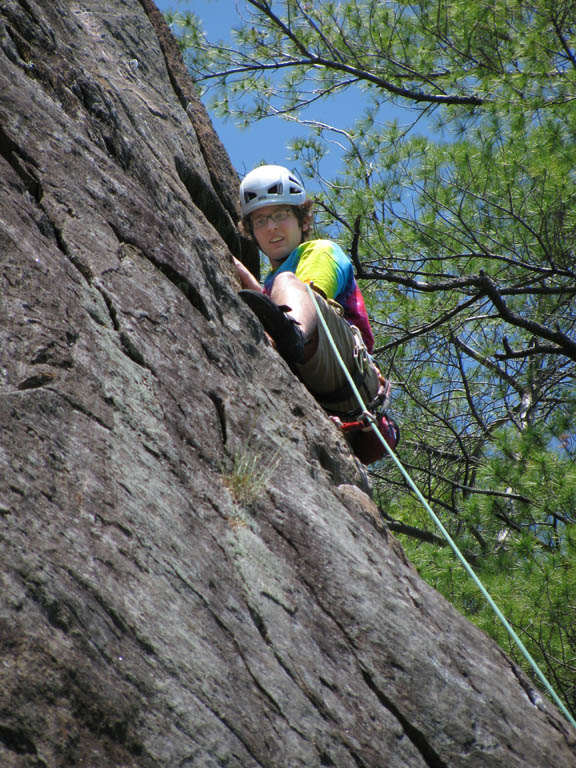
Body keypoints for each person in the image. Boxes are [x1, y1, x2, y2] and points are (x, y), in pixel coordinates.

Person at [234, 164, 383, 419]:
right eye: (260, 221)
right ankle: (291, 338)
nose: (271, 227)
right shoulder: (272, 282)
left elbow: (311, 297)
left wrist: (285, 333)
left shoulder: (319, 251)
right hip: (326, 388)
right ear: (253, 233)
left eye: (281, 215)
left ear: (303, 221)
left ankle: (292, 337)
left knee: (287, 284)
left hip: (348, 371)